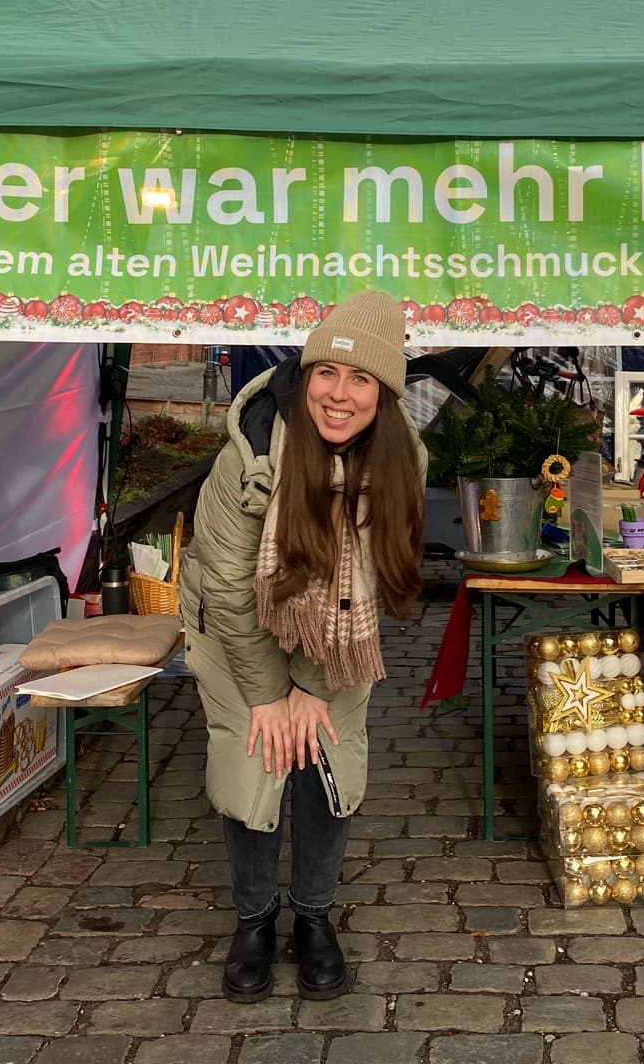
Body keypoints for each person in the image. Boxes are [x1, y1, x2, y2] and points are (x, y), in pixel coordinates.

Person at [179, 289, 425, 1004]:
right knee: (256, 754)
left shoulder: (403, 462)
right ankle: (254, 920)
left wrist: (310, 689)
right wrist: (267, 694)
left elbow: (367, 582)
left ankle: (314, 916)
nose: (339, 395)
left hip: (339, 632)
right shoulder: (250, 453)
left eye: (361, 379)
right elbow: (228, 585)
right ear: (306, 374)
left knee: (324, 753)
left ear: (384, 393)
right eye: (326, 373)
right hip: (236, 623)